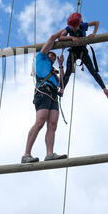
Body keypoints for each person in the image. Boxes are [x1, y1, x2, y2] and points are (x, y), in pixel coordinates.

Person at [21, 30, 68, 164]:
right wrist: (66, 31)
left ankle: (49, 153)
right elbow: (52, 37)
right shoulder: (41, 58)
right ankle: (26, 154)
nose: (53, 56)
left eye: (54, 56)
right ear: (46, 53)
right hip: (43, 93)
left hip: (53, 95)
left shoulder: (53, 72)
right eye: (51, 54)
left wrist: (60, 65)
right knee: (40, 121)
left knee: (52, 124)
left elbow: (61, 83)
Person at [59, 12, 108, 101]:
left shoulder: (83, 25)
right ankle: (62, 89)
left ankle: (105, 90)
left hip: (82, 52)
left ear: (79, 24)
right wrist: (71, 38)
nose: (74, 28)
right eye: (72, 27)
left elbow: (96, 22)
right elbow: (60, 38)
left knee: (93, 71)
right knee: (68, 72)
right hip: (73, 52)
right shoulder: (69, 28)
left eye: (75, 27)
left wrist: (94, 33)